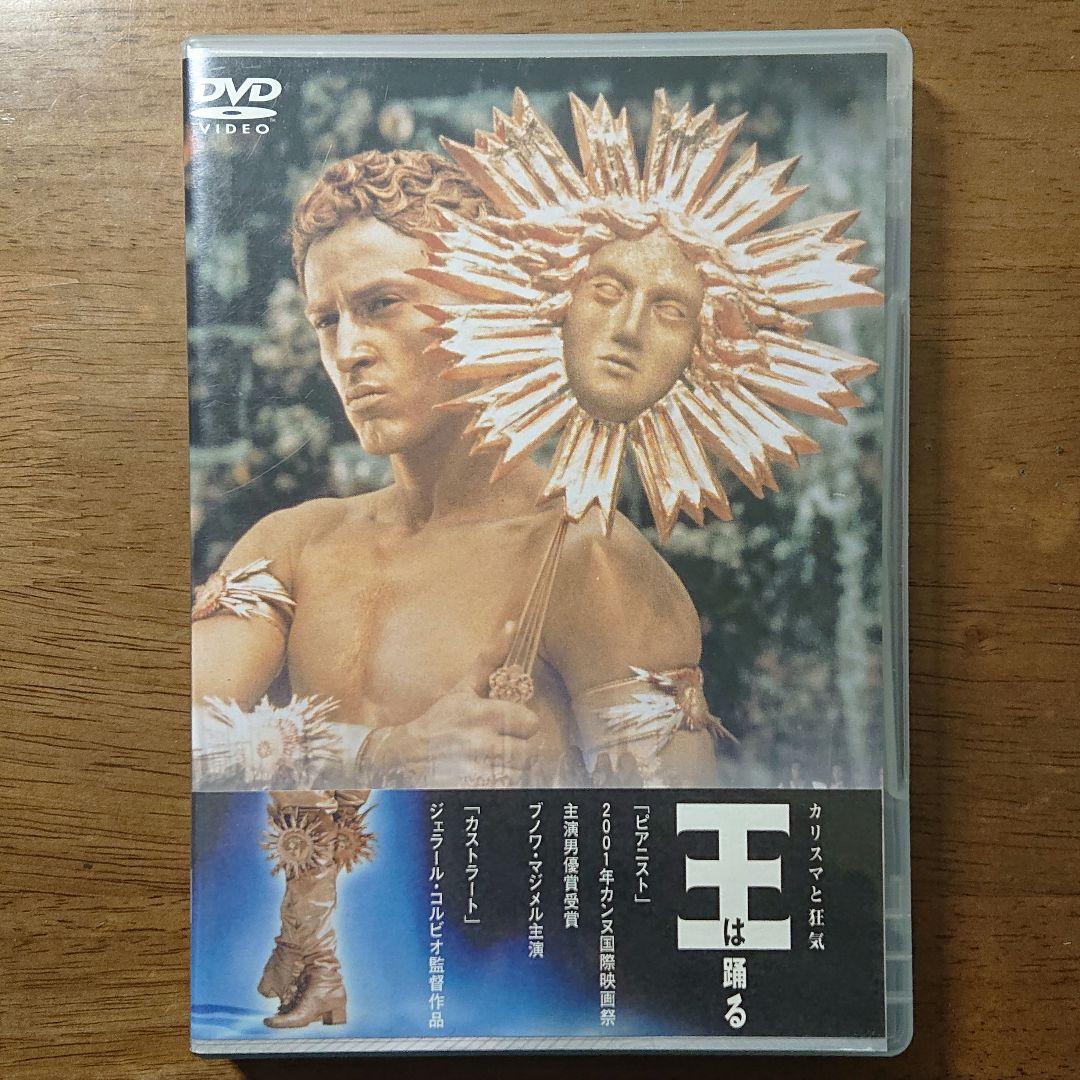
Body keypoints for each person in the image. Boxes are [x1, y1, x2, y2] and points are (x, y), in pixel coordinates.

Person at [191, 149, 721, 1029]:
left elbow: (677, 861)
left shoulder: (589, 561)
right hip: (304, 1017)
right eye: (327, 320)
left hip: (516, 1013)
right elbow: (163, 737)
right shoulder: (292, 547)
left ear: (491, 298)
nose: (349, 350)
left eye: (382, 304)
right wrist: (383, 755)